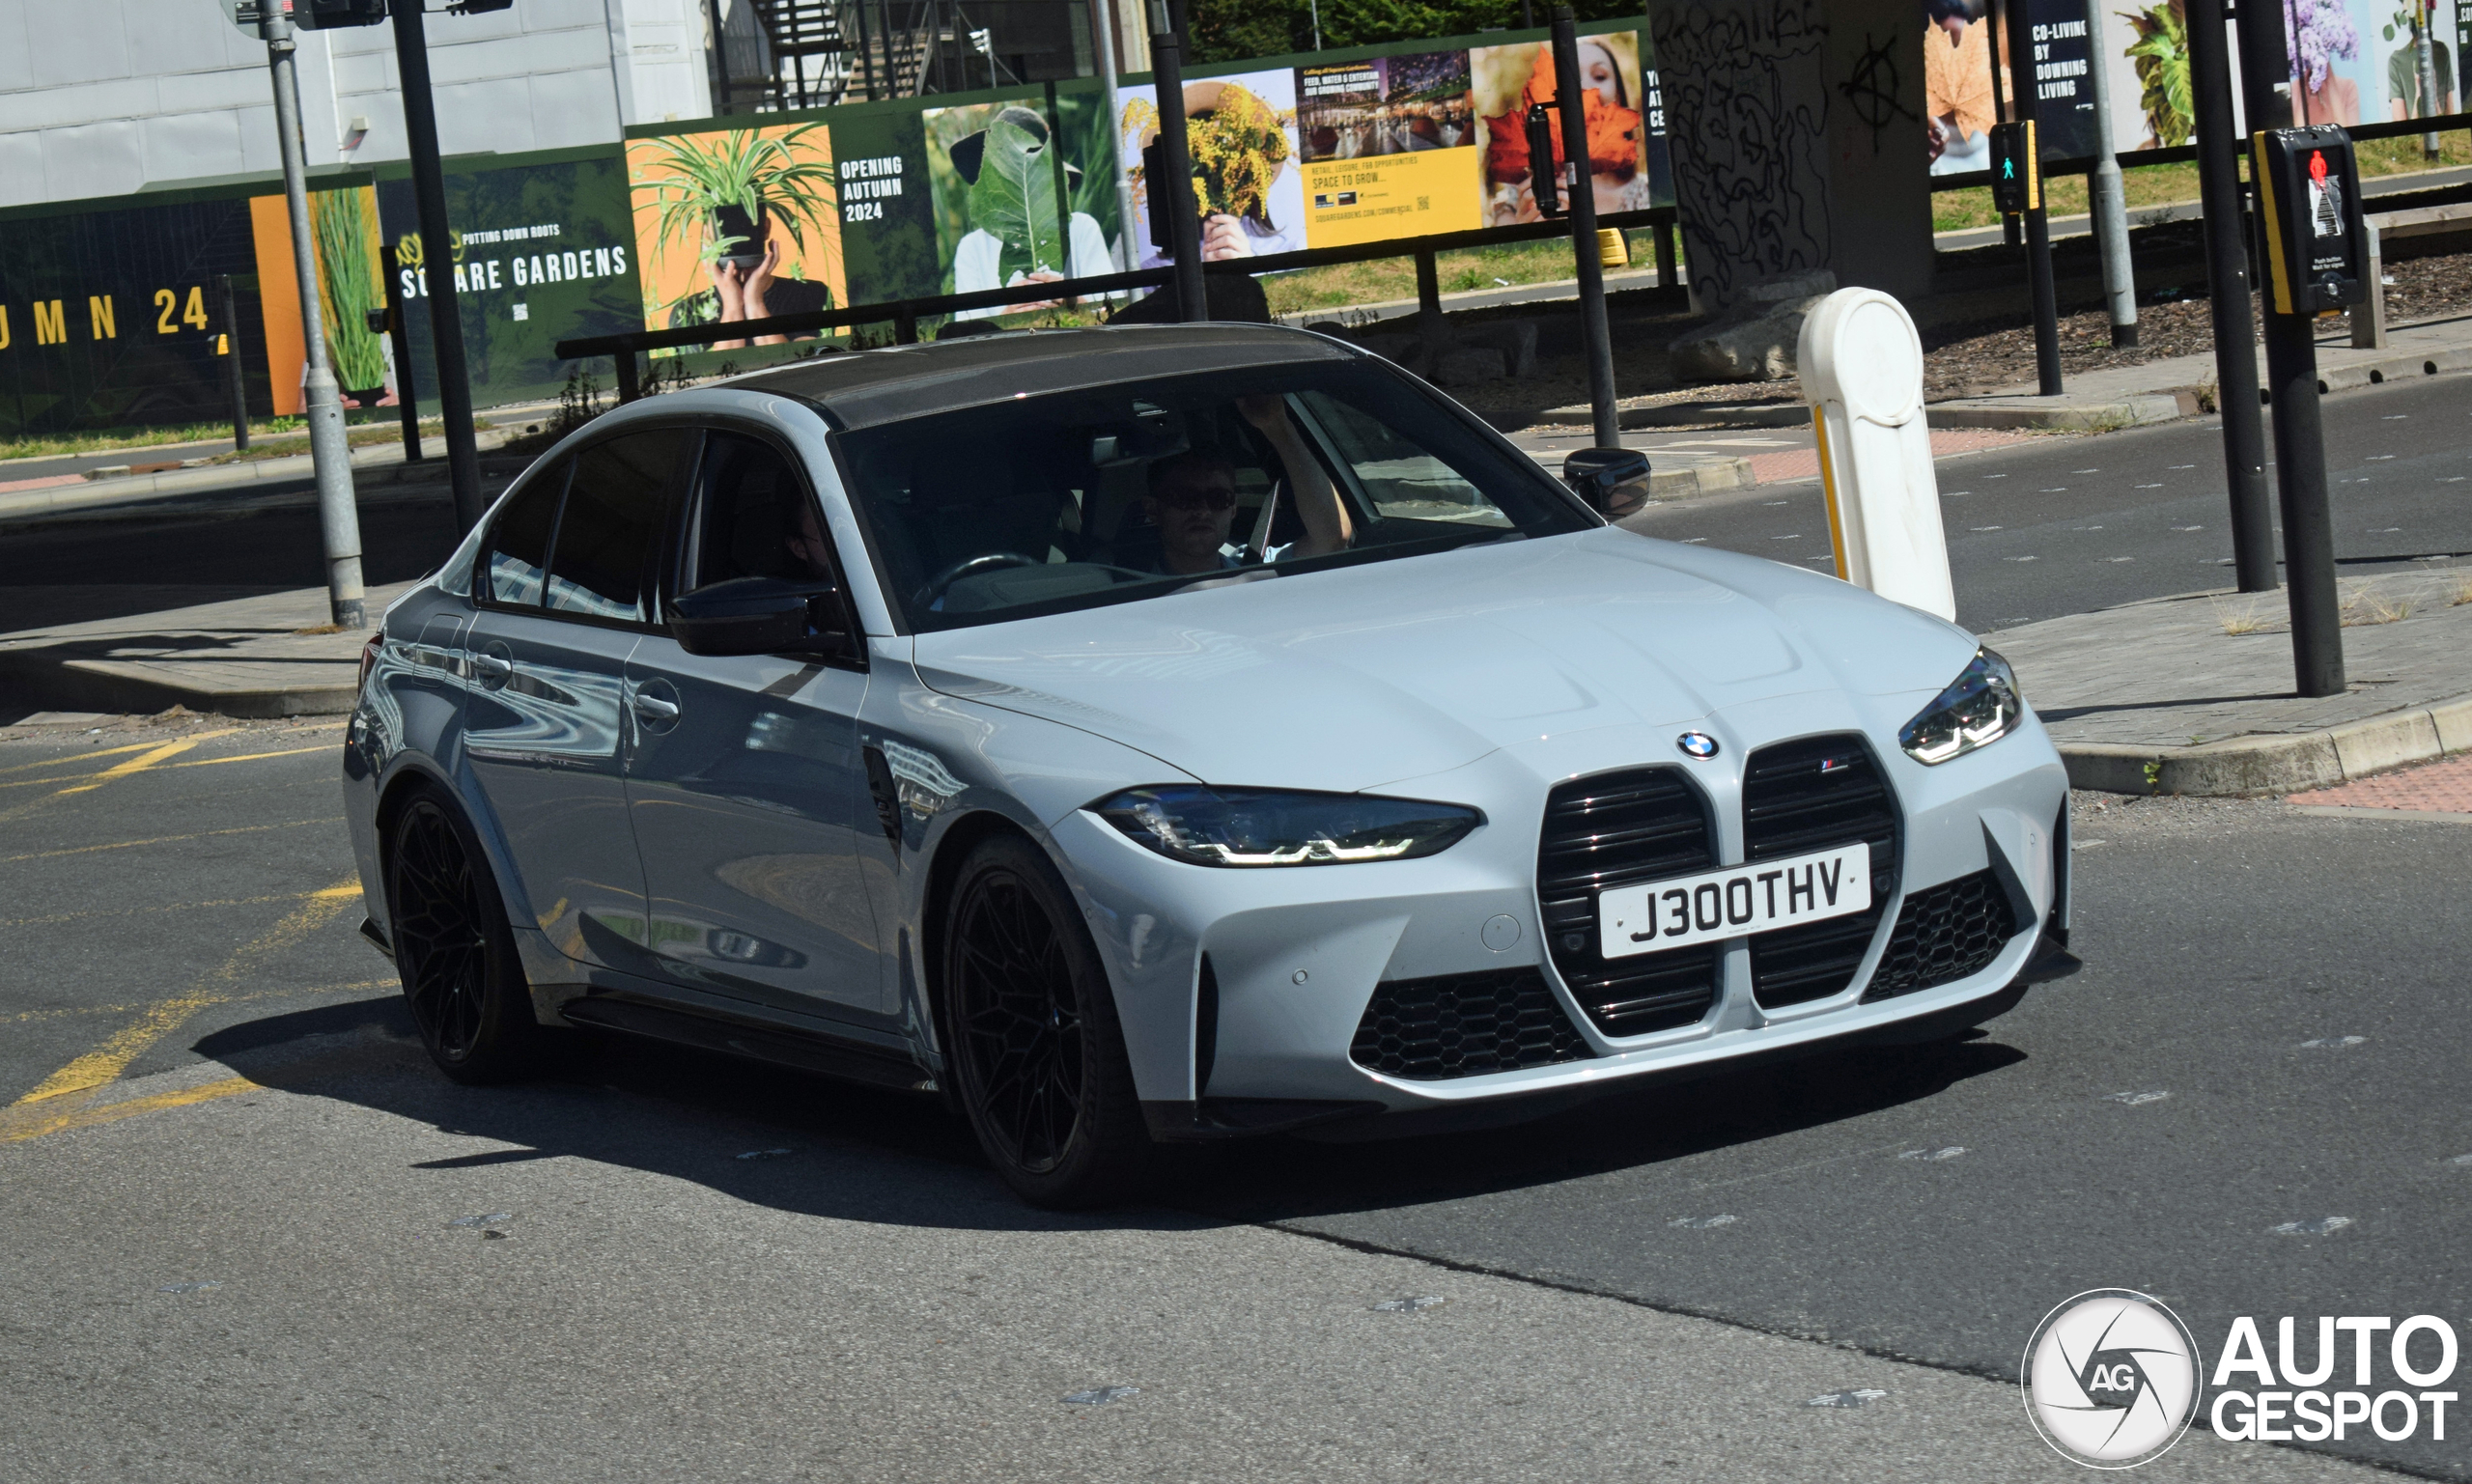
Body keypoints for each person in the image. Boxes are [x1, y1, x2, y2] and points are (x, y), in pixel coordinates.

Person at [1140, 397, 1353, 576]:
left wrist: (1277, 426)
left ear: (1233, 509)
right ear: (1152, 509)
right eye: (1185, 498)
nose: (1203, 511)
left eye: (1218, 499)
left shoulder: (1255, 567)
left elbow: (1332, 538)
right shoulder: (1117, 591)